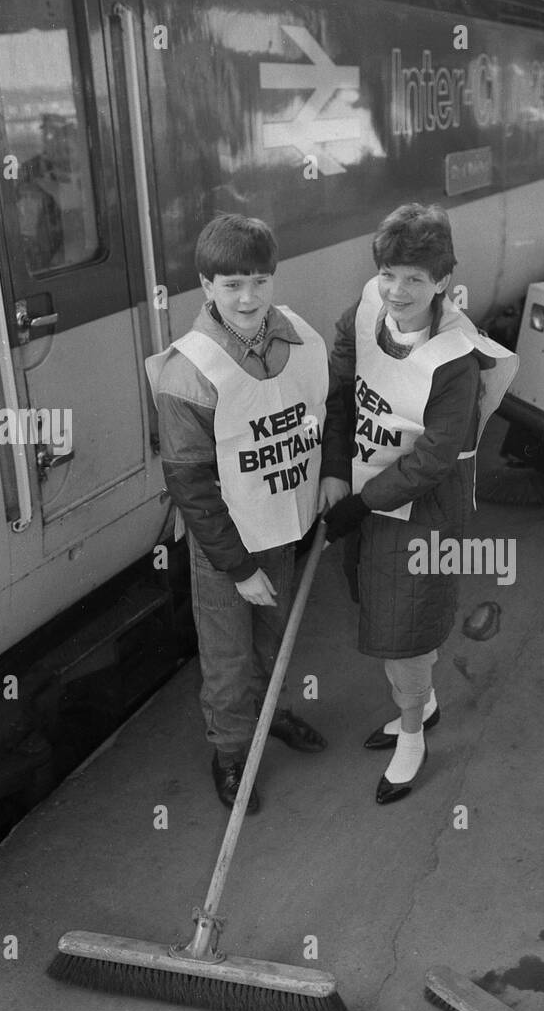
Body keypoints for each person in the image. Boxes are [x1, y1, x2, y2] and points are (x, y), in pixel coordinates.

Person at [146, 214, 350, 811]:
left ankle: (271, 717)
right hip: (224, 551)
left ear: (273, 280)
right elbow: (191, 486)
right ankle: (233, 753)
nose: (247, 297)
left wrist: (334, 468)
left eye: (259, 281)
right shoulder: (189, 372)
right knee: (229, 656)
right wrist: (238, 569)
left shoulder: (303, 340)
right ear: (206, 286)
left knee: (275, 637)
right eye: (231, 283)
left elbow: (331, 406)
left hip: (283, 531)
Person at [323, 203, 517, 804]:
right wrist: (334, 470)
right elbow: (339, 388)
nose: (397, 290)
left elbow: (436, 456)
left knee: (402, 623)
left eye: (414, 278)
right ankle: (423, 699)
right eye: (388, 273)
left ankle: (413, 734)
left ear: (442, 281)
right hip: (368, 486)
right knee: (368, 591)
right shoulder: (366, 311)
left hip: (425, 505)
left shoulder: (456, 358)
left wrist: (361, 504)